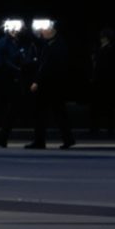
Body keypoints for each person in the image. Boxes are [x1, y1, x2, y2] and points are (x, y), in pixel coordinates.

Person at [26, 21, 78, 149]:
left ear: (50, 30)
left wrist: (37, 81)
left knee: (41, 113)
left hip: (49, 85)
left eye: (43, 30)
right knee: (59, 113)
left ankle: (40, 141)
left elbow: (46, 66)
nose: (41, 33)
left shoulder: (54, 45)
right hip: (56, 84)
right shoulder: (57, 43)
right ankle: (67, 139)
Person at [0, 24, 30, 147]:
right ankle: (3, 135)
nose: (15, 30)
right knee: (10, 108)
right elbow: (2, 62)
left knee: (13, 108)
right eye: (12, 28)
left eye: (16, 28)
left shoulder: (16, 42)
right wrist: (18, 69)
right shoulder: (4, 42)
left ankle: (3, 136)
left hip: (13, 79)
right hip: (6, 79)